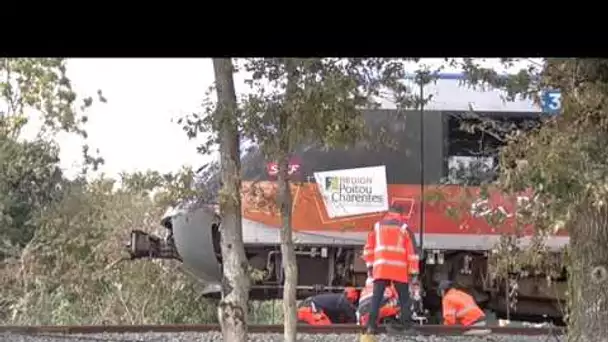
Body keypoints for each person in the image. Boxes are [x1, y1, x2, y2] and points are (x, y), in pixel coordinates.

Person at [362, 205, 420, 334]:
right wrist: (413, 273)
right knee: (404, 299)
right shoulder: (404, 228)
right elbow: (412, 253)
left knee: (376, 298)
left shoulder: (377, 227)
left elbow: (368, 248)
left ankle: (371, 327)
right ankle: (407, 327)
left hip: (381, 268)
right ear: (400, 214)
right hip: (399, 270)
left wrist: (370, 267)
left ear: (389, 213)